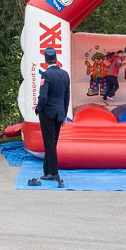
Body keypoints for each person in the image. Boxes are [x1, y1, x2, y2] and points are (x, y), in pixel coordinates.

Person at [35, 47, 70, 181]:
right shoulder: (65, 74)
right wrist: (64, 114)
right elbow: (67, 96)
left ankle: (53, 172)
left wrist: (38, 108)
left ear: (45, 60)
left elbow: (43, 97)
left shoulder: (46, 75)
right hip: (59, 113)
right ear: (56, 59)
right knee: (52, 143)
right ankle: (47, 169)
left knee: (49, 143)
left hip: (48, 113)